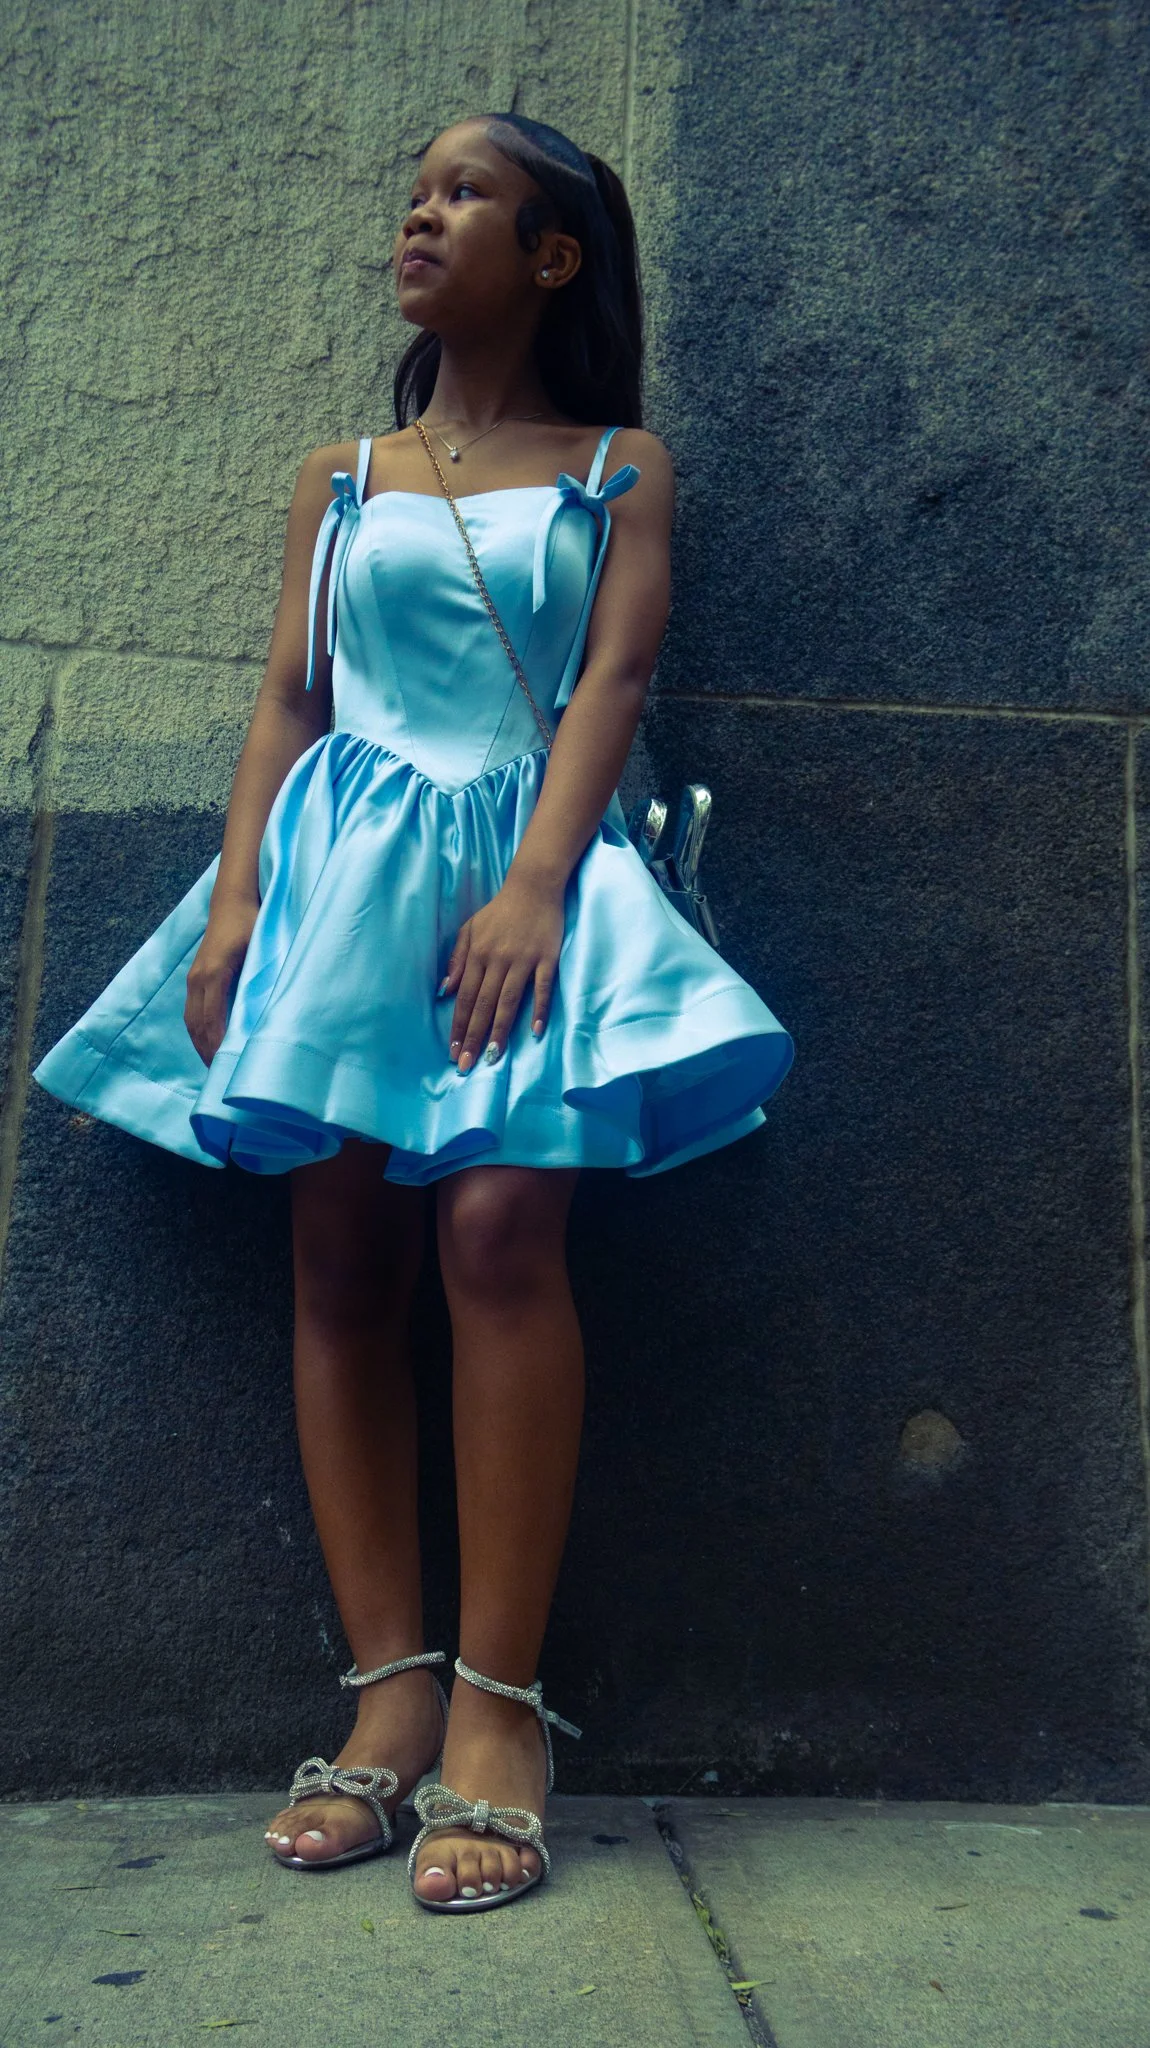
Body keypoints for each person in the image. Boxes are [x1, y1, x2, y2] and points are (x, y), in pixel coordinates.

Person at [33, 111, 794, 1914]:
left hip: (523, 872)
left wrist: (536, 881)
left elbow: (611, 680)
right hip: (339, 881)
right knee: (335, 1253)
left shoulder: (620, 463)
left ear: (552, 258)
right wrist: (231, 910)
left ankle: (499, 1710)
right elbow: (289, 700)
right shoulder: (344, 475)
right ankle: (385, 1699)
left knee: (504, 1223)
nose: (422, 210)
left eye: (468, 193)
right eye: (418, 188)